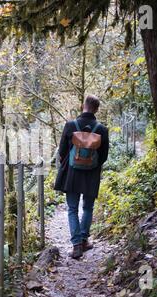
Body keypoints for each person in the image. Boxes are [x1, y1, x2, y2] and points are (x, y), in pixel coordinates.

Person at [54, 95, 109, 259]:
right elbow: (104, 155)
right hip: (91, 174)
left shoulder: (71, 125)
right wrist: (93, 165)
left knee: (72, 208)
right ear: (97, 109)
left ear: (83, 106)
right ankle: (84, 240)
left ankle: (77, 245)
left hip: (72, 173)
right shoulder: (101, 129)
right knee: (87, 207)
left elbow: (62, 151)